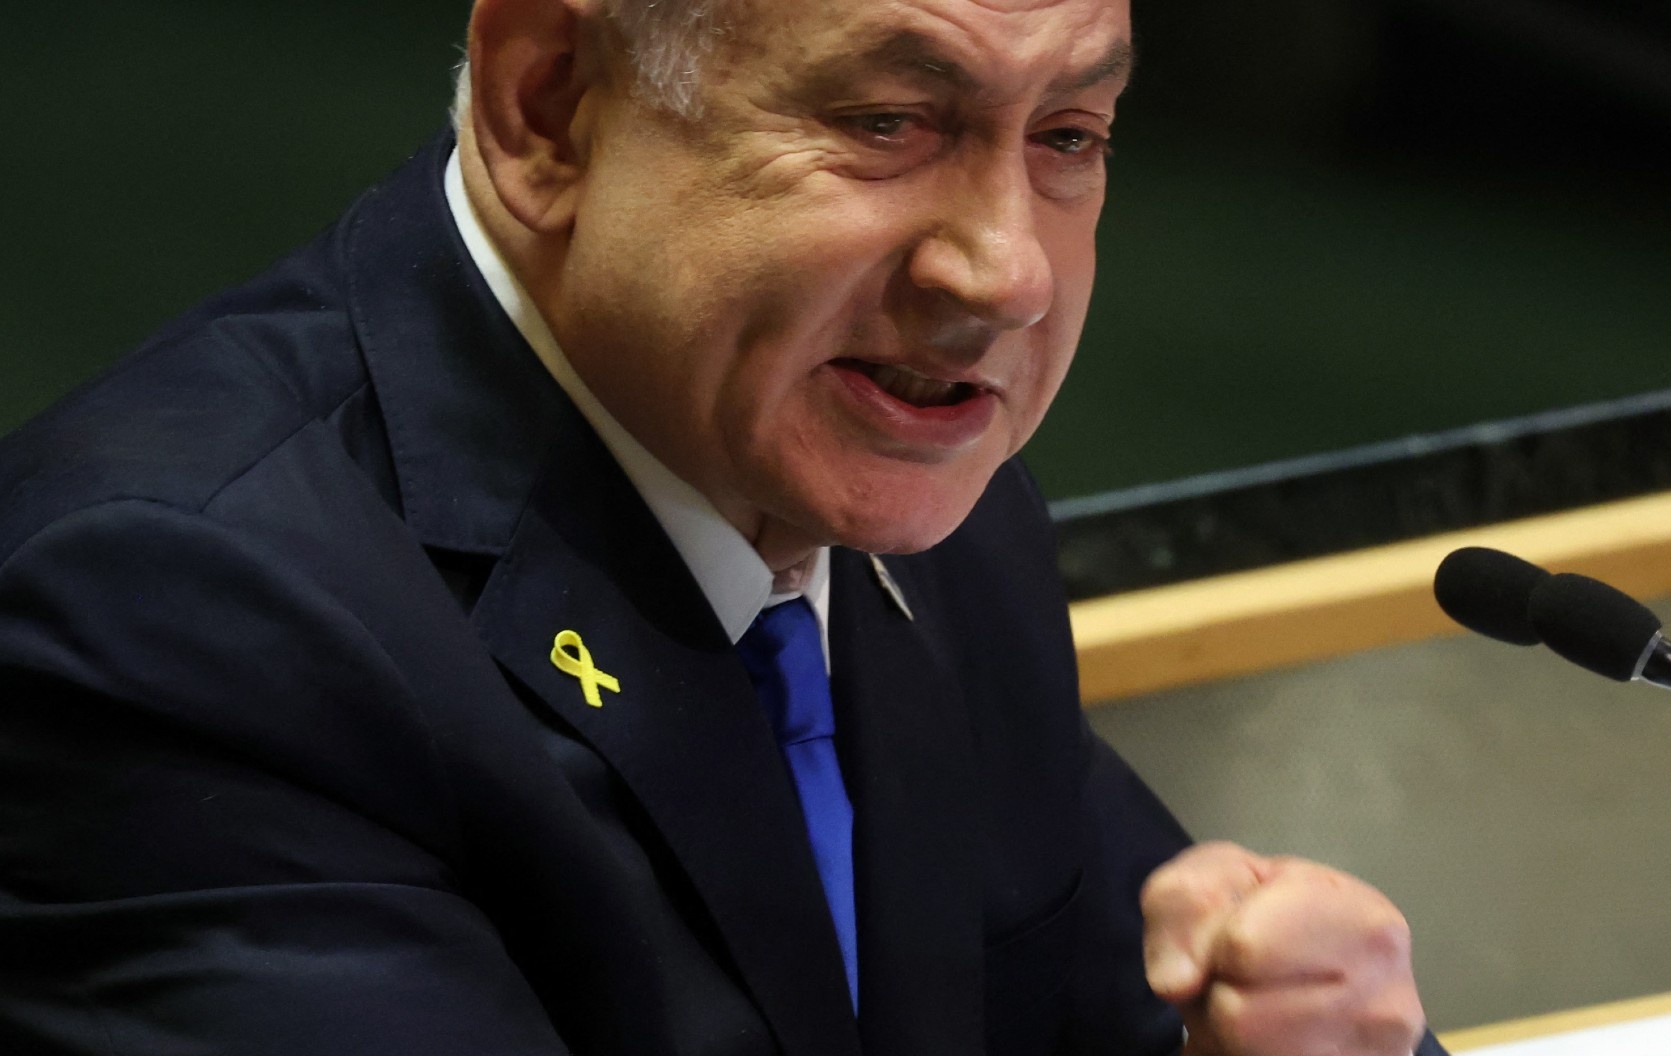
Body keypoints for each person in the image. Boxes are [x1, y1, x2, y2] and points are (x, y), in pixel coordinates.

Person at [0, 0, 1445, 1053]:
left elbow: (1113, 1003)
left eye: (1067, 135)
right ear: (548, 105)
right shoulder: (180, 616)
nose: (1004, 273)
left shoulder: (924, 507)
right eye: (888, 121)